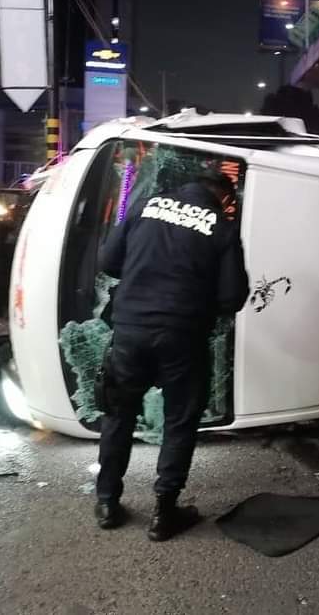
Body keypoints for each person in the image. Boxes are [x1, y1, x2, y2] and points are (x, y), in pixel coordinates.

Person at [95, 166, 248, 541]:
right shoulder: (220, 226)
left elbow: (108, 262)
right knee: (179, 421)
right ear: (222, 196)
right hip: (183, 336)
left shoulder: (145, 206)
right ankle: (164, 513)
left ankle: (107, 502)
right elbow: (232, 297)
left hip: (130, 332)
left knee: (119, 414)